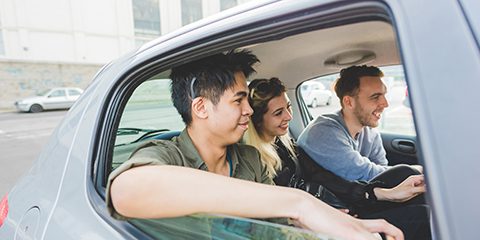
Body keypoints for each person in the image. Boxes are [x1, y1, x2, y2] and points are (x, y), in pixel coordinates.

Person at [106, 51, 403, 240]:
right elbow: (125, 191)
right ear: (201, 107)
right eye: (239, 100)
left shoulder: (250, 159)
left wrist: (335, 224)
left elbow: (280, 223)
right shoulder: (166, 154)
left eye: (248, 100)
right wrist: (300, 203)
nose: (249, 110)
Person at [244, 77, 431, 240]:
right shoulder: (254, 161)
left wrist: (383, 193)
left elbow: (324, 178)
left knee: (405, 173)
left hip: (336, 207)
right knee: (423, 216)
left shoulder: (286, 145)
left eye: (289, 107)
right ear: (258, 119)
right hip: (318, 223)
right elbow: (276, 216)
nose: (289, 116)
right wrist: (325, 216)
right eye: (278, 113)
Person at [297, 65, 423, 182]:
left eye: (384, 95)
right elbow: (364, 174)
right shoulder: (322, 131)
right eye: (375, 97)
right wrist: (418, 171)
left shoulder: (370, 133)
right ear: (349, 102)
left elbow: (383, 175)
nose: (385, 104)